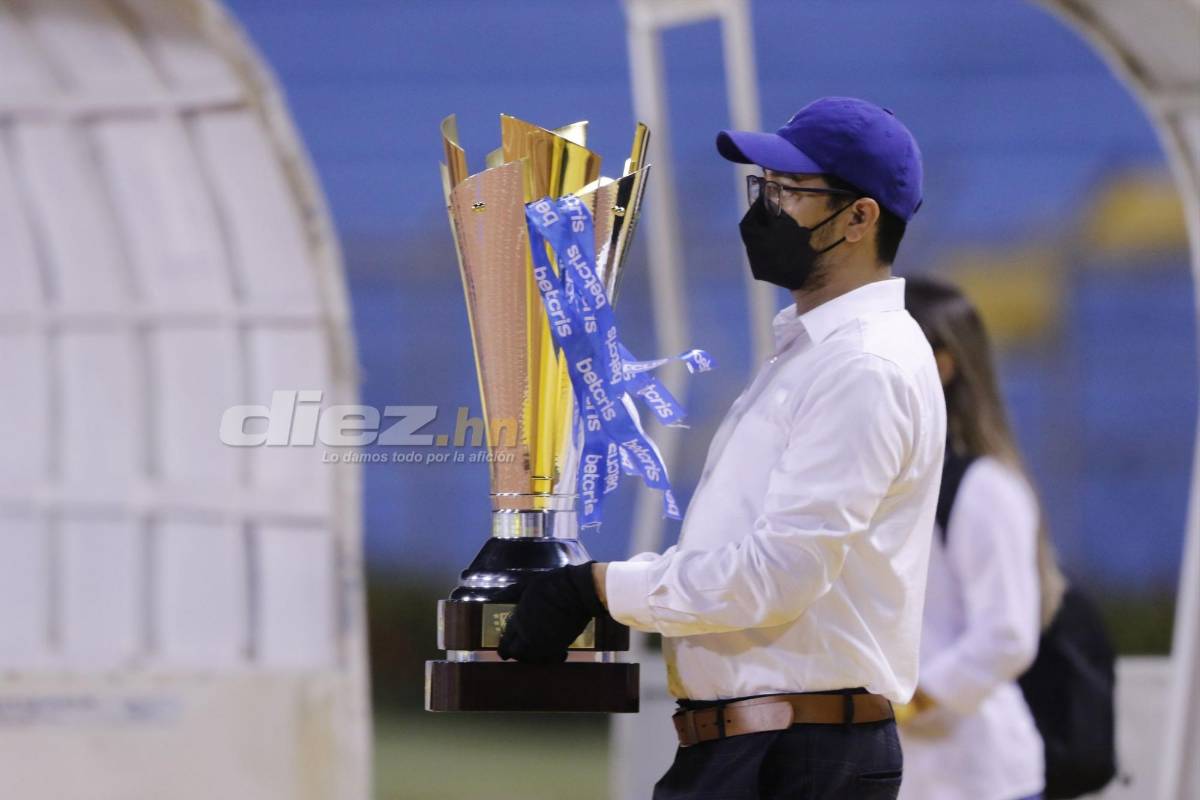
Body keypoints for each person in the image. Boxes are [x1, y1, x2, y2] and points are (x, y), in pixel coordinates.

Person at [500, 96, 946, 799]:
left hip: (797, 754)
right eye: (763, 188)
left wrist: (603, 588)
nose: (764, 209)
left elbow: (778, 574)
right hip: (763, 746)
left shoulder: (862, 365)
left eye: (790, 192)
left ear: (860, 218)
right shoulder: (815, 352)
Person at [896, 276, 1067, 800]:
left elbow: (1007, 634)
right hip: (909, 776)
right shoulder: (896, 479)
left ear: (943, 366)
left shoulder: (982, 486)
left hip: (977, 779)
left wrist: (914, 702)